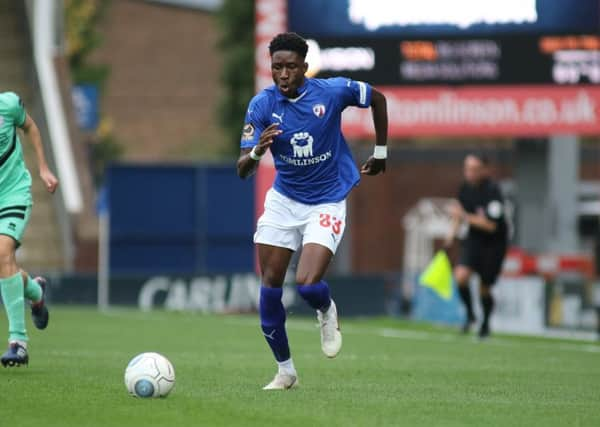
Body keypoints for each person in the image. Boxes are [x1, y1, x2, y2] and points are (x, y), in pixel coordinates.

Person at [237, 32, 388, 389]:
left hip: (327, 198)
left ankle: (326, 309)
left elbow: (378, 99)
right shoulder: (261, 105)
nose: (284, 74)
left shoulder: (331, 92)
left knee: (306, 285)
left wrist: (381, 152)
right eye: (277, 68)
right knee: (270, 286)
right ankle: (286, 371)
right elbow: (242, 169)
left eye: (291, 67)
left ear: (305, 67)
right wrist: (258, 151)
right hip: (284, 200)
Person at [0, 91, 58, 367]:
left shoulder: (8, 104)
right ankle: (35, 292)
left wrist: (43, 169)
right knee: (5, 264)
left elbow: (31, 126)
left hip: (14, 194)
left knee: (2, 253)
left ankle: (18, 343)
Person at [445, 153, 508, 339]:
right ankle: (470, 314)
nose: (469, 173)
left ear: (484, 170)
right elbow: (459, 215)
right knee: (461, 277)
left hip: (493, 243)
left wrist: (464, 216)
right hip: (473, 240)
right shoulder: (465, 188)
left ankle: (485, 324)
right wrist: (450, 237)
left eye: (473, 169)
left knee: (485, 287)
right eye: (467, 169)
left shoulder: (493, 191)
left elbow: (491, 225)